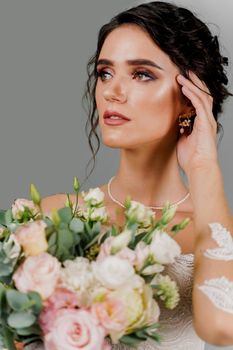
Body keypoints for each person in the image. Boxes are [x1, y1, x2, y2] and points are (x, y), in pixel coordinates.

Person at [41, 1, 233, 349]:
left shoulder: (215, 230)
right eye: (105, 73)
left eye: (142, 74)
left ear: (191, 98)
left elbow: (222, 326)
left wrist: (204, 167)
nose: (112, 91)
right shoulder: (54, 217)